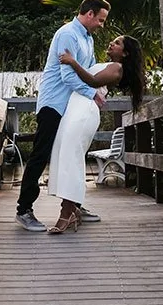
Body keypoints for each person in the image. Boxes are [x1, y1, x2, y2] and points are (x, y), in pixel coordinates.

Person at [15, 0, 110, 232]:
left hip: (70, 106)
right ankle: (23, 209)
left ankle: (74, 206)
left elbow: (88, 72)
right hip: (54, 104)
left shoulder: (87, 38)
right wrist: (93, 94)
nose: (101, 25)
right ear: (89, 14)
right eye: (100, 20)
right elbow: (68, 77)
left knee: (73, 153)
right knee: (41, 154)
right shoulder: (68, 34)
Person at [45, 35, 146, 233]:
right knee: (64, 155)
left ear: (125, 53)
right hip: (75, 107)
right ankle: (72, 209)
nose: (111, 43)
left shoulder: (117, 68)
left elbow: (92, 81)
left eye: (117, 43)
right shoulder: (108, 64)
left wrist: (72, 62)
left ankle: (66, 214)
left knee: (71, 157)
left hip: (84, 110)